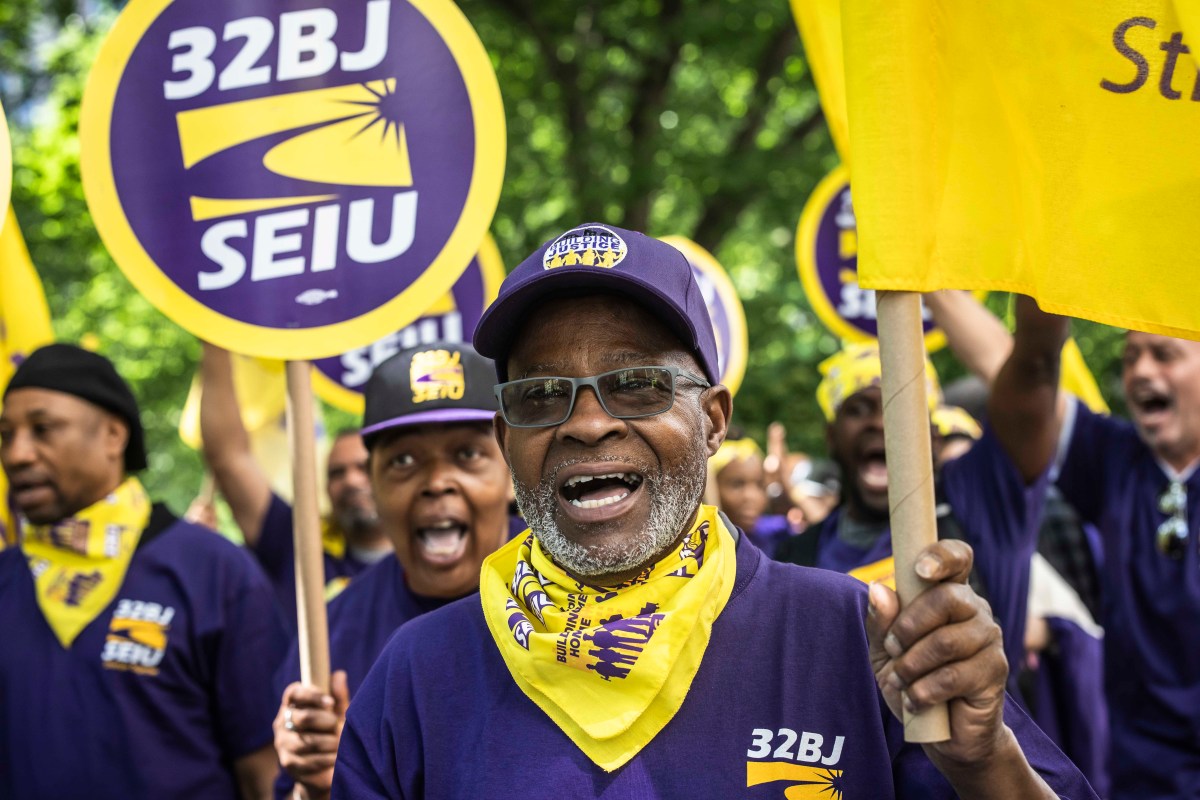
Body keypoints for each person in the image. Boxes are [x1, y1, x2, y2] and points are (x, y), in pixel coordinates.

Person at [331, 223, 1095, 798]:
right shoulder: (416, 674)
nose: (588, 423)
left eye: (637, 384)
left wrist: (986, 760)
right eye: (540, 395)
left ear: (715, 420)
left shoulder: (861, 639)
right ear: (507, 438)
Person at [0, 344, 286, 799]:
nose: (17, 454)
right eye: (5, 434)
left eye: (42, 429)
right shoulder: (7, 580)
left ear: (114, 435)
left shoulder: (213, 572)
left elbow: (265, 772)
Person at [961, 300, 1200, 799]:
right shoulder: (1116, 460)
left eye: (1164, 354)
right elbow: (1020, 367)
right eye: (1131, 356)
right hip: (1140, 776)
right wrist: (922, 261)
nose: (1140, 370)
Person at [272, 343, 515, 800]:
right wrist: (321, 785)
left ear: (509, 472)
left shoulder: (584, 594)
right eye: (403, 461)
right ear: (374, 486)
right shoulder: (327, 638)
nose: (437, 482)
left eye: (466, 454)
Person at [775, 307, 1061, 683]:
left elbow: (1035, 370)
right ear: (831, 437)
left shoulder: (979, 504)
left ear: (935, 438)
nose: (880, 421)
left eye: (899, 403)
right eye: (859, 409)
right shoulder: (794, 559)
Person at [199, 343, 392, 624]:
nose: (351, 480)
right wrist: (216, 337)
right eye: (336, 473)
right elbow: (229, 457)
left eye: (364, 468)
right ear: (325, 488)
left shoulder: (444, 557)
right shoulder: (301, 553)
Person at [704, 432, 795, 554]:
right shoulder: (697, 546)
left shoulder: (774, 533)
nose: (751, 496)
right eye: (737, 484)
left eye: (760, 484)